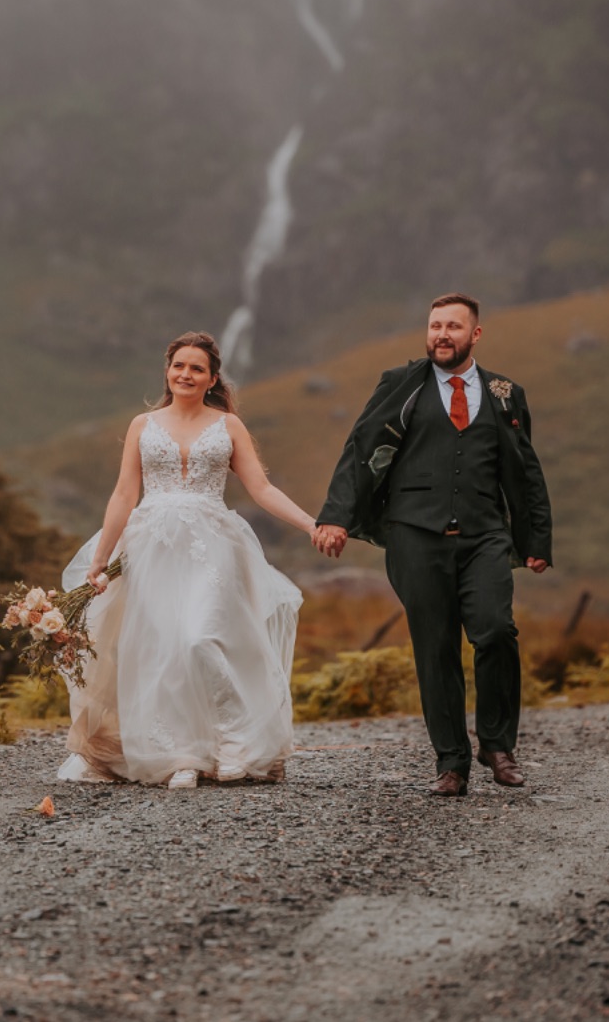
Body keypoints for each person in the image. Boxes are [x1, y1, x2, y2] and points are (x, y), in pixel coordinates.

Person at [312, 293, 554, 797]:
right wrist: (335, 517)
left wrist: (535, 539)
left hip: (485, 532)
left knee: (495, 631)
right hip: (413, 535)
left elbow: (525, 471)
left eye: (453, 327)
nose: (442, 334)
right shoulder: (399, 384)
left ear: (475, 335)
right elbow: (359, 448)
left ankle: (497, 743)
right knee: (435, 647)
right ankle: (451, 762)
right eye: (435, 325)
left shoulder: (506, 393)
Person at [56, 332, 319, 789]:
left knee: (200, 638)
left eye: (197, 368)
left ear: (212, 378)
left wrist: (311, 524)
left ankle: (235, 744)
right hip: (150, 547)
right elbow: (124, 493)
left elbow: (261, 489)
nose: (186, 374)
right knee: (164, 649)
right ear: (168, 370)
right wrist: (100, 560)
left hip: (212, 546)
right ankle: (182, 755)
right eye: (179, 366)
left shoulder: (229, 426)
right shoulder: (143, 424)